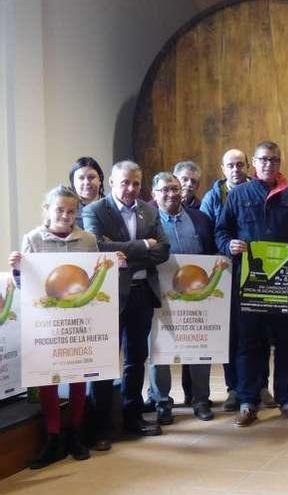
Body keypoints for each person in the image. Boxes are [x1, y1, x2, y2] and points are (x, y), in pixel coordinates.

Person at [8, 186, 123, 468]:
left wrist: (112, 266)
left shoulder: (87, 239)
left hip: (80, 319)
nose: (65, 215)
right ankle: (53, 437)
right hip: (48, 323)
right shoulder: (33, 239)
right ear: (46, 210)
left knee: (78, 373)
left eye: (71, 211)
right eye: (59, 209)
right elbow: (26, 286)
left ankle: (74, 433)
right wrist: (16, 270)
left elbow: (94, 275)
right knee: (49, 377)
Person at [216, 140, 288, 427]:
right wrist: (229, 245)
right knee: (249, 343)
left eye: (273, 159)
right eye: (262, 160)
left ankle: (287, 398)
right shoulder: (238, 195)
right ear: (254, 164)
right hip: (249, 284)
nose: (268, 164)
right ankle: (248, 401)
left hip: (283, 286)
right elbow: (222, 231)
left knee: (285, 343)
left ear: (279, 162)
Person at [83, 160, 170, 448]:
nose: (131, 189)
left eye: (136, 183)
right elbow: (99, 249)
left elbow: (164, 251)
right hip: (109, 297)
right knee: (105, 361)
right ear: (111, 182)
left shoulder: (149, 210)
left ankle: (133, 417)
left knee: (136, 357)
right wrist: (145, 245)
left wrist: (124, 254)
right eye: (125, 183)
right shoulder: (94, 211)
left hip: (142, 293)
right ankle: (101, 428)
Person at [146, 173, 217, 424]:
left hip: (196, 297)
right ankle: (162, 401)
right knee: (159, 349)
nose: (172, 194)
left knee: (199, 347)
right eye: (164, 190)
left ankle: (200, 399)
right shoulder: (147, 222)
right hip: (160, 295)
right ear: (154, 194)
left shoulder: (200, 219)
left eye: (175, 188)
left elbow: (212, 252)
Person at [200, 148, 255, 411]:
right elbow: (207, 233)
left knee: (256, 333)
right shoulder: (212, 198)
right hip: (225, 273)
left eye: (240, 164)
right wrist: (225, 248)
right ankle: (234, 388)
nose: (236, 170)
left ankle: (258, 385)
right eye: (230, 165)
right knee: (231, 334)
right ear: (223, 169)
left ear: (248, 166)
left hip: (255, 272)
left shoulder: (257, 190)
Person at [68, 157, 105, 228]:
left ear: (100, 180)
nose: (87, 182)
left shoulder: (112, 208)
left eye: (91, 177)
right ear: (73, 182)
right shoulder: (66, 211)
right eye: (81, 178)